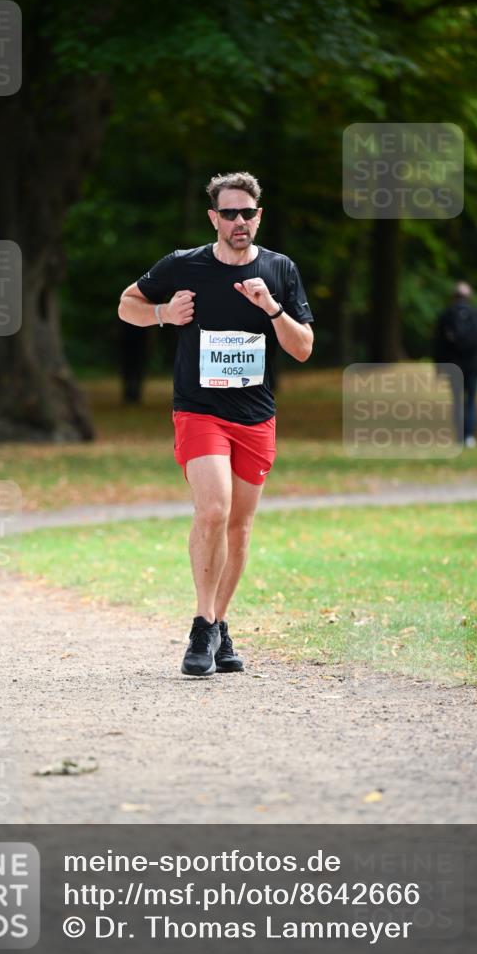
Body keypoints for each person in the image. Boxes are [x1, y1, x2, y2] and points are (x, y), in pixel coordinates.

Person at [118, 171, 314, 676]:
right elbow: (127, 305)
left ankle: (220, 625)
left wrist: (270, 307)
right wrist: (163, 312)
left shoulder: (279, 270)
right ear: (214, 218)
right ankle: (202, 627)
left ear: (259, 216)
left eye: (247, 213)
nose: (239, 222)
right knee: (213, 509)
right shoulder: (186, 265)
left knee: (239, 525)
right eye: (229, 214)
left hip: (255, 416)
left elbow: (303, 347)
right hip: (199, 409)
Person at [434, 281, 477, 448]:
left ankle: (459, 436)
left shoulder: (446, 315)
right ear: (469, 297)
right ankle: (470, 437)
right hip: (474, 366)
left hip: (454, 366)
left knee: (457, 401)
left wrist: (439, 367)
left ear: (454, 297)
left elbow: (439, 345)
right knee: (471, 402)